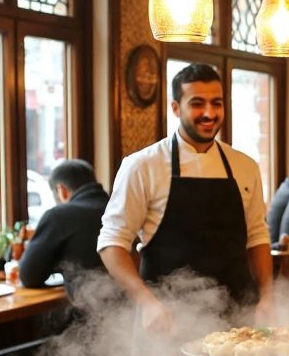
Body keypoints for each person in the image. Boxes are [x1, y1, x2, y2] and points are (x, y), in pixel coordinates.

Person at [98, 63, 273, 332]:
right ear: (176, 108)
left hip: (238, 318)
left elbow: (258, 236)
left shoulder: (245, 166)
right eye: (197, 103)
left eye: (217, 103)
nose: (209, 113)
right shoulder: (142, 165)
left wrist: (267, 296)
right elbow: (112, 242)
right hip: (167, 318)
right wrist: (146, 302)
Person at [20, 159, 109, 299]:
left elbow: (29, 276)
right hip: (128, 307)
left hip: (85, 312)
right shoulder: (117, 207)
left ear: (61, 190)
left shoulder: (59, 215)